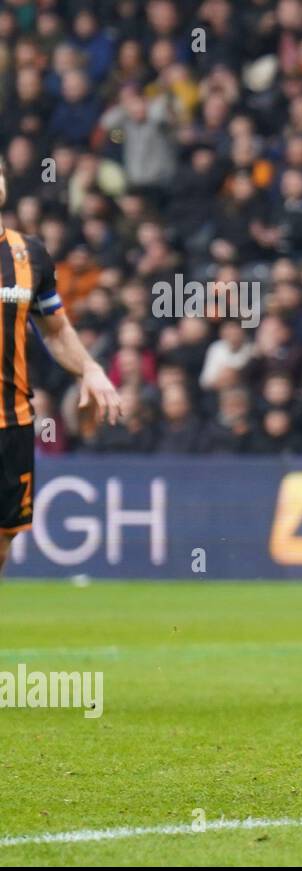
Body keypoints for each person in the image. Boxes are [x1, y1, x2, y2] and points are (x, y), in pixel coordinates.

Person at [0, 160, 121, 576]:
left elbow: (54, 329)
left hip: (11, 420)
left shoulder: (28, 254)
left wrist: (89, 369)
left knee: (3, 537)